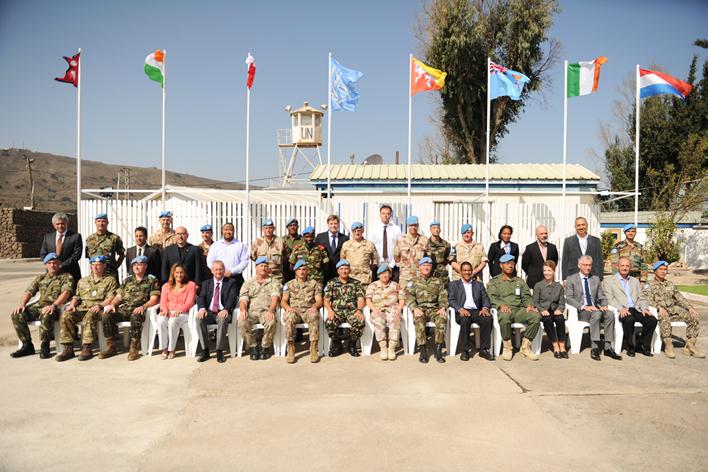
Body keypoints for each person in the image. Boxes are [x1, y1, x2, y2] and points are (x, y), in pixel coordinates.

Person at [10, 253, 73, 358]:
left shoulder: (66, 277)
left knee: (47, 314)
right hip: (39, 306)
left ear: (59, 263)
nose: (52, 265)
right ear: (46, 265)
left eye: (55, 263)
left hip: (56, 307)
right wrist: (22, 305)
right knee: (17, 314)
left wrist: (53, 305)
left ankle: (45, 345)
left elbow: (66, 293)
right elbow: (28, 292)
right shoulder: (41, 278)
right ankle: (27, 345)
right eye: (50, 263)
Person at [56, 256, 117, 362]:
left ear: (104, 266)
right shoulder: (82, 281)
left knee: (90, 315)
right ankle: (68, 348)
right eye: (93, 265)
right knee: (66, 315)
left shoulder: (110, 280)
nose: (96, 267)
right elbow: (77, 297)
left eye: (98, 265)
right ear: (90, 266)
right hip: (82, 308)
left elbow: (111, 297)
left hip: (99, 309)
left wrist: (100, 306)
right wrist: (72, 305)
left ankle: (87, 347)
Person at [101, 255, 160, 361]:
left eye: (139, 265)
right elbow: (118, 296)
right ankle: (111, 346)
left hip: (140, 310)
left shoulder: (152, 280)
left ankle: (134, 347)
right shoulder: (127, 280)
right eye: (134, 265)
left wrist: (143, 307)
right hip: (125, 309)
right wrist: (112, 304)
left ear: (145, 266)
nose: (136, 267)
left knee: (135, 315)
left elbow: (154, 299)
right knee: (106, 315)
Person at [565, 255, 621, 361]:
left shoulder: (595, 279)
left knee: (610, 314)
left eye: (589, 265)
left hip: (595, 308)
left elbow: (602, 296)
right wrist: (584, 307)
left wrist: (604, 305)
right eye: (585, 265)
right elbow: (569, 298)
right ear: (579, 265)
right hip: (581, 311)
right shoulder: (571, 279)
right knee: (597, 314)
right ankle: (595, 347)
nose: (588, 267)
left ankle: (608, 347)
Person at [644, 261, 704, 359]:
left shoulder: (670, 284)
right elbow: (647, 299)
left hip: (673, 310)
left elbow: (679, 298)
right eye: (660, 269)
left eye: (665, 269)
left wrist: (689, 307)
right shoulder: (649, 284)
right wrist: (658, 307)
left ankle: (690, 346)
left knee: (694, 316)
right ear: (655, 271)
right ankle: (668, 345)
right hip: (659, 311)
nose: (663, 271)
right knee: (665, 316)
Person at [487, 254, 541, 361]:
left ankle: (525, 346)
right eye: (507, 263)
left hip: (519, 310)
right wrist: (500, 305)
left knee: (536, 316)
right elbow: (491, 297)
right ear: (501, 265)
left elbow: (526, 296)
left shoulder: (519, 281)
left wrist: (529, 305)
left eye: (512, 263)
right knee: (505, 316)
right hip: (505, 310)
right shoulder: (494, 281)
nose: (510, 266)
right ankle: (507, 347)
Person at [602, 256, 656, 357]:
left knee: (652, 320)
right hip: (621, 309)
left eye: (627, 266)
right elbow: (609, 299)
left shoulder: (635, 281)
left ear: (630, 268)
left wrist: (645, 308)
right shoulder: (609, 281)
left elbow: (641, 297)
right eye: (622, 265)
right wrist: (620, 308)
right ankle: (630, 346)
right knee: (629, 319)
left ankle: (642, 344)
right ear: (617, 266)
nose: (624, 268)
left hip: (636, 309)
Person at [447, 261, 493, 361]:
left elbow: (485, 298)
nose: (467, 273)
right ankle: (465, 350)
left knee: (488, 318)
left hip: (476, 311)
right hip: (462, 310)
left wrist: (485, 308)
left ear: (472, 271)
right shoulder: (454, 284)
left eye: (469, 270)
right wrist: (460, 309)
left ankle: (483, 349)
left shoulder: (479, 285)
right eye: (464, 270)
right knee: (465, 320)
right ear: (460, 272)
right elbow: (451, 300)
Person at [238, 257, 282, 361]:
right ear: (256, 267)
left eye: (266, 266)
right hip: (252, 312)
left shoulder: (274, 282)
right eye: (261, 266)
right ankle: (253, 347)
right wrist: (243, 310)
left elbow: (275, 298)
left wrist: (271, 310)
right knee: (241, 322)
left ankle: (265, 347)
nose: (263, 268)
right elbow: (243, 299)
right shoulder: (248, 283)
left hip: (266, 311)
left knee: (271, 322)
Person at [406, 257, 448, 364]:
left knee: (442, 318)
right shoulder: (413, 281)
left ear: (431, 267)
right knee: (419, 320)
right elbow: (409, 297)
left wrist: (443, 307)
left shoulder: (438, 281)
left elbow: (443, 296)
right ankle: (423, 349)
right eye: (424, 265)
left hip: (434, 309)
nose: (426, 267)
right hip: (420, 309)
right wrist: (414, 308)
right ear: (419, 267)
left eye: (429, 265)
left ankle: (438, 349)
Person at [195, 260, 238, 363]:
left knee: (222, 319)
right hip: (209, 312)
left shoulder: (231, 282)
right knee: (199, 319)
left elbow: (232, 298)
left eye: (220, 269)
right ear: (212, 271)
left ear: (224, 270)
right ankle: (205, 350)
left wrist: (226, 309)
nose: (218, 272)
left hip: (223, 311)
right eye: (216, 269)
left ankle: (219, 351)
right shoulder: (206, 283)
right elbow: (201, 297)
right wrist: (202, 308)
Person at [281, 259, 322, 363]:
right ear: (295, 271)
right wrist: (288, 308)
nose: (302, 272)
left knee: (313, 315)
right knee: (289, 316)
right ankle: (290, 348)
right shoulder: (289, 284)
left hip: (308, 310)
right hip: (294, 310)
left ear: (307, 271)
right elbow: (283, 301)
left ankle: (313, 348)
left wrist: (314, 307)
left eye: (304, 269)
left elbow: (319, 300)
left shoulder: (314, 283)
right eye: (299, 269)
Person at [324, 260, 366, 357]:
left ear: (349, 270)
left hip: (352, 311)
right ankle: (337, 345)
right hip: (336, 312)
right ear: (338, 271)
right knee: (329, 322)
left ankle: (351, 344)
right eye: (341, 269)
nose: (344, 271)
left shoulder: (356, 283)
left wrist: (359, 310)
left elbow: (361, 299)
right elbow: (326, 300)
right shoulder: (331, 283)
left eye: (346, 269)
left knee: (359, 321)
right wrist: (330, 310)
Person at [365, 263, 405, 361]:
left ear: (390, 274)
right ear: (379, 275)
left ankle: (391, 348)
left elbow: (402, 300)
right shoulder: (372, 285)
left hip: (393, 309)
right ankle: (383, 348)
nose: (385, 275)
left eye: (387, 273)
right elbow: (368, 300)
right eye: (382, 273)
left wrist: (398, 309)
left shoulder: (396, 285)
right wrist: (374, 309)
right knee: (378, 320)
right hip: (378, 309)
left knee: (395, 319)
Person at [157, 263, 197, 359]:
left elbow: (190, 302)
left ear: (185, 273)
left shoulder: (191, 285)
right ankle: (164, 349)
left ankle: (172, 349)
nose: (179, 275)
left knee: (172, 321)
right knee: (161, 320)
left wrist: (180, 310)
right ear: (173, 273)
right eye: (177, 272)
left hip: (184, 313)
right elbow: (163, 302)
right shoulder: (166, 286)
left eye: (181, 272)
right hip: (169, 311)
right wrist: (165, 309)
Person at [533, 260, 567, 359]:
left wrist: (560, 309)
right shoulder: (538, 285)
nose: (547, 273)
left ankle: (562, 346)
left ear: (554, 271)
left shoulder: (559, 286)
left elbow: (562, 302)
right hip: (543, 311)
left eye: (549, 270)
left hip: (555, 310)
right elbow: (535, 302)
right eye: (545, 270)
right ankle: (555, 346)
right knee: (547, 320)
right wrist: (541, 310)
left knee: (560, 319)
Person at [40, 212, 82, 288]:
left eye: (62, 223)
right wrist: (51, 265)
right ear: (53, 224)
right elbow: (43, 254)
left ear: (67, 223)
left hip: (71, 271)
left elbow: (77, 255)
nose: (60, 226)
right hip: (52, 273)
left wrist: (61, 265)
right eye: (57, 224)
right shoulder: (47, 237)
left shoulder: (75, 237)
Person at [207, 222, 248, 293]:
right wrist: (217, 271)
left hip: (235, 279)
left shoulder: (240, 245)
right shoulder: (215, 245)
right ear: (222, 231)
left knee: (236, 298)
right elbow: (210, 261)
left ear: (234, 231)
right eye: (225, 230)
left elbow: (244, 262)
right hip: (218, 278)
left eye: (230, 230)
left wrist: (231, 272)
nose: (228, 232)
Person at [85, 213, 125, 282]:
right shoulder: (89, 239)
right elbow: (89, 257)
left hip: (110, 274)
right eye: (99, 221)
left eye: (103, 221)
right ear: (95, 223)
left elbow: (122, 255)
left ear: (107, 223)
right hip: (95, 275)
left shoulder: (114, 238)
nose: (101, 224)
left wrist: (115, 267)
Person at [562, 216, 603, 281]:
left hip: (592, 276)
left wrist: (600, 278)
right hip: (573, 276)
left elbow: (599, 260)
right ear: (575, 227)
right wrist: (564, 278)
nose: (581, 227)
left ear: (587, 225)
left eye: (583, 225)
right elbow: (565, 261)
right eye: (578, 225)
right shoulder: (568, 241)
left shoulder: (596, 241)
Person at [393, 216, 429, 289]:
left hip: (420, 276)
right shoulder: (401, 240)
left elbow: (427, 258)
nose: (413, 227)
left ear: (418, 225)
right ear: (408, 226)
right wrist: (405, 265)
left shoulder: (424, 240)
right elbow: (396, 257)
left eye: (415, 225)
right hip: (405, 277)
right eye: (411, 225)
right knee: (404, 294)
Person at [340, 221, 379, 286]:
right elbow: (342, 261)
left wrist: (368, 268)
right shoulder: (346, 245)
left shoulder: (369, 244)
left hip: (365, 279)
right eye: (354, 231)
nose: (357, 233)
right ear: (352, 232)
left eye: (359, 231)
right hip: (350, 278)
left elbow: (375, 260)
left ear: (362, 231)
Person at [521, 224, 559, 290]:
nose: (544, 235)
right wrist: (532, 273)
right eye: (541, 234)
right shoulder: (530, 248)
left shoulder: (553, 248)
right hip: (533, 282)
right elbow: (524, 264)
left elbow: (554, 263)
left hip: (549, 282)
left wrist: (548, 272)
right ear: (536, 235)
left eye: (546, 233)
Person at [371, 204, 402, 281]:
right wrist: (377, 264)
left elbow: (399, 248)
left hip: (393, 265)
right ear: (380, 214)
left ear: (391, 215)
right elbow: (371, 248)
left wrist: (391, 265)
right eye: (383, 213)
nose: (385, 216)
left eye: (388, 214)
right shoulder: (373, 229)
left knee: (393, 287)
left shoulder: (396, 229)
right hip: (378, 265)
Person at [315, 214, 349, 282]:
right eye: (331, 224)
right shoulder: (320, 237)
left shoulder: (345, 238)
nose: (333, 226)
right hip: (324, 271)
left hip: (339, 271)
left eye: (335, 223)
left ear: (338, 224)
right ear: (328, 224)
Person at [250, 219, 284, 284]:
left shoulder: (281, 241)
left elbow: (286, 257)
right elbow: (253, 257)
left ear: (274, 228)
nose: (268, 230)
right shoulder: (257, 242)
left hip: (277, 277)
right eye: (266, 228)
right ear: (263, 229)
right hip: (262, 277)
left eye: (270, 228)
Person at [426, 221, 452, 286]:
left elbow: (448, 258)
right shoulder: (425, 244)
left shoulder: (446, 244)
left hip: (442, 275)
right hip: (430, 274)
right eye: (434, 228)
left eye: (438, 228)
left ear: (440, 230)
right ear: (430, 230)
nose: (436, 229)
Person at [281, 218, 304, 283]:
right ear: (287, 227)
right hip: (285, 269)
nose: (292, 227)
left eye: (294, 225)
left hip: (299, 268)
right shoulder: (282, 240)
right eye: (290, 226)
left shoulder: (303, 240)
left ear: (298, 227)